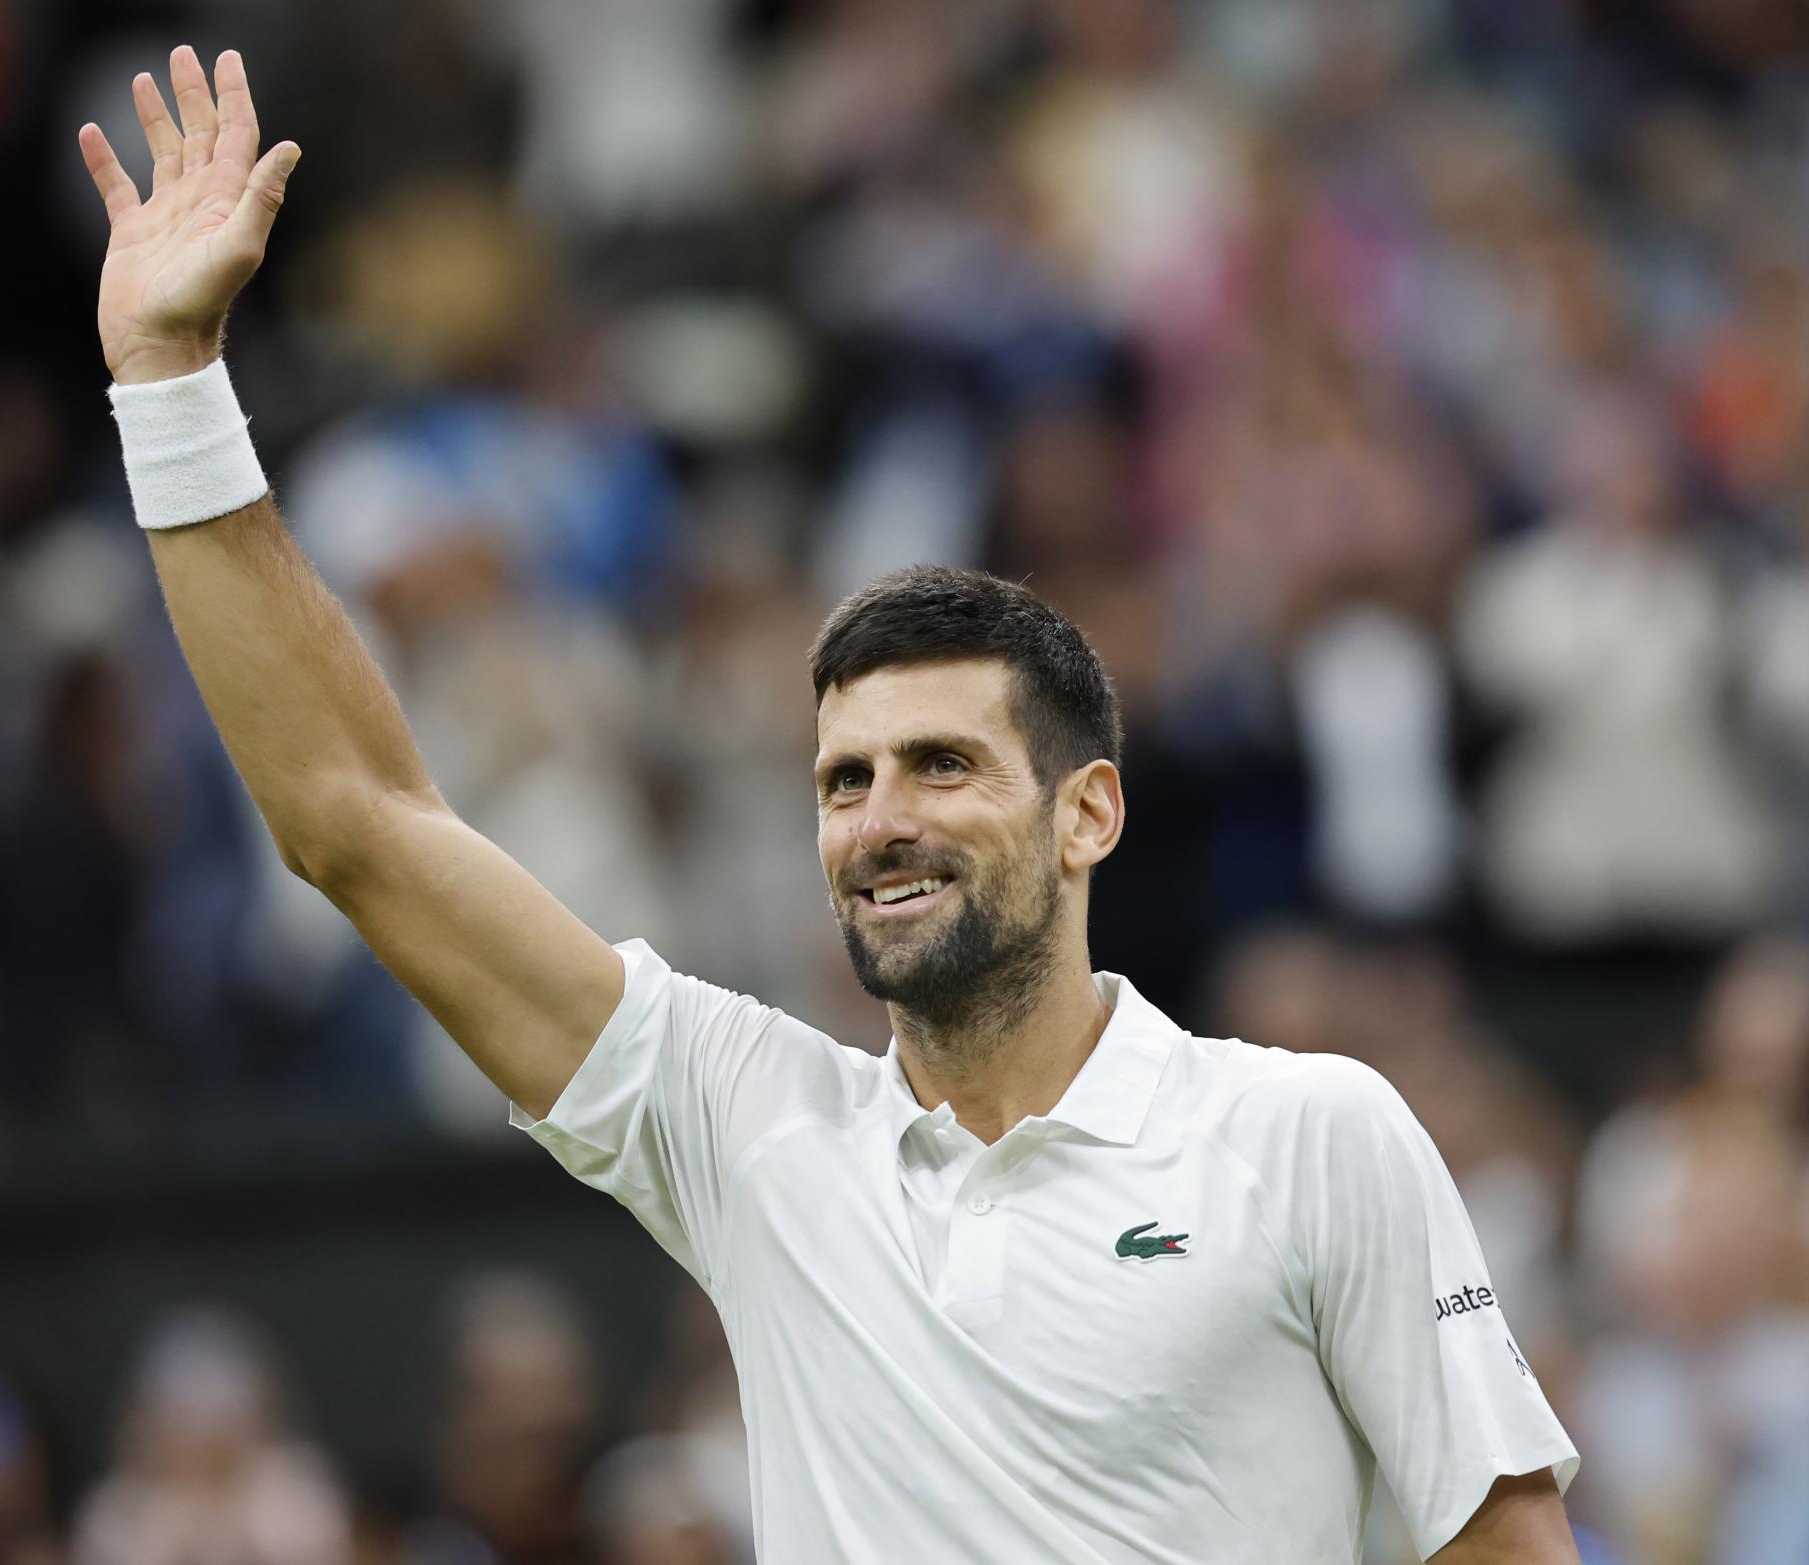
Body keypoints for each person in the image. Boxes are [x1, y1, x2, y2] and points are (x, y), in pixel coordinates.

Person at [77, 47, 1583, 1563]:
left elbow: (1509, 1547)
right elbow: (357, 824)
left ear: (1090, 815)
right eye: (844, 780)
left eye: (944, 764)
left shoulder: (1310, 1134)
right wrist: (171, 388)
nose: (880, 819)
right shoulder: (751, 1129)